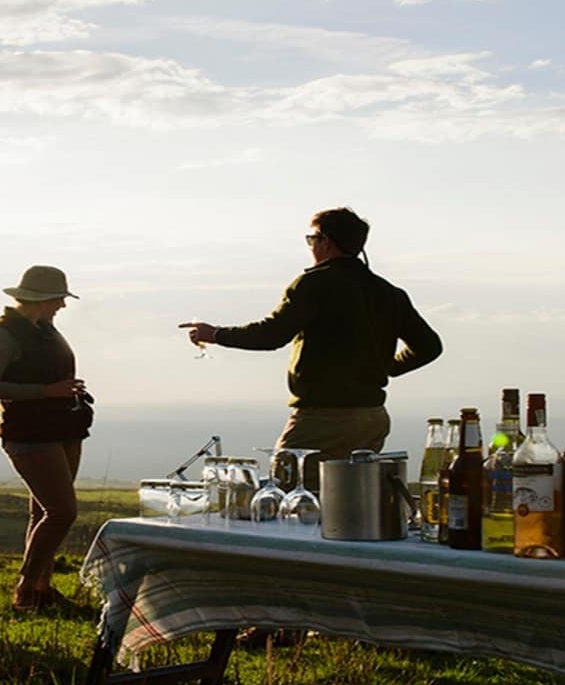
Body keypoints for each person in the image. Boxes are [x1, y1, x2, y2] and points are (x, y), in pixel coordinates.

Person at [180, 207, 442, 485]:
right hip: (372, 418)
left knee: (289, 490)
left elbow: (271, 334)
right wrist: (384, 368)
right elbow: (429, 346)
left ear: (325, 241)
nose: (310, 246)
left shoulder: (313, 284)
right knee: (348, 498)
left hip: (322, 418)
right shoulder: (389, 293)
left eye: (311, 239)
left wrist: (216, 334)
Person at [0, 265, 93, 612]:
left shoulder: (45, 330)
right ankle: (27, 588)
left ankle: (41, 589)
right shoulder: (2, 335)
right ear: (42, 298)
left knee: (43, 511)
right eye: (59, 299)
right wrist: (47, 391)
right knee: (61, 511)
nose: (63, 305)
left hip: (64, 429)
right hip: (29, 433)